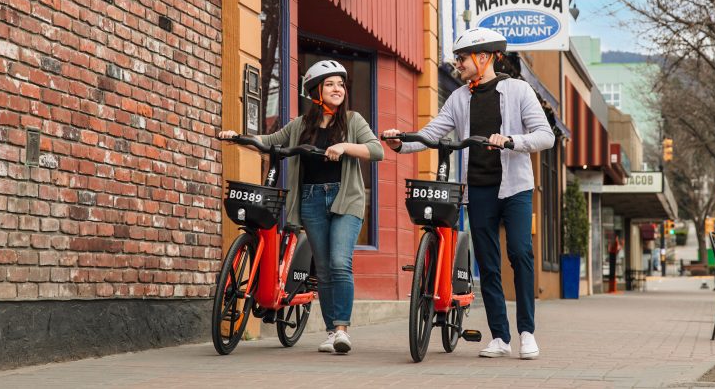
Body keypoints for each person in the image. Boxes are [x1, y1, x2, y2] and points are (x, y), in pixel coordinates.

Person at [382, 27, 554, 360]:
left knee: (520, 254)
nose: (457, 64)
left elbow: (545, 136)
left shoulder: (517, 90)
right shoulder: (460, 97)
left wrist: (513, 141)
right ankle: (501, 337)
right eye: (458, 59)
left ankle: (526, 333)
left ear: (484, 57)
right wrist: (401, 143)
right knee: (488, 265)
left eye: (462, 58)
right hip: (479, 189)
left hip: (516, 188)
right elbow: (432, 134)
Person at [220, 59, 383, 355]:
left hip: (345, 199)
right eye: (330, 84)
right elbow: (269, 142)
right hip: (310, 199)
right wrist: (238, 139)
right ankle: (332, 331)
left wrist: (345, 147)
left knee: (338, 262)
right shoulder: (300, 125)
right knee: (322, 269)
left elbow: (376, 150)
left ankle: (343, 329)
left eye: (341, 84)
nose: (338, 89)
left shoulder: (353, 121)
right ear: (315, 91)